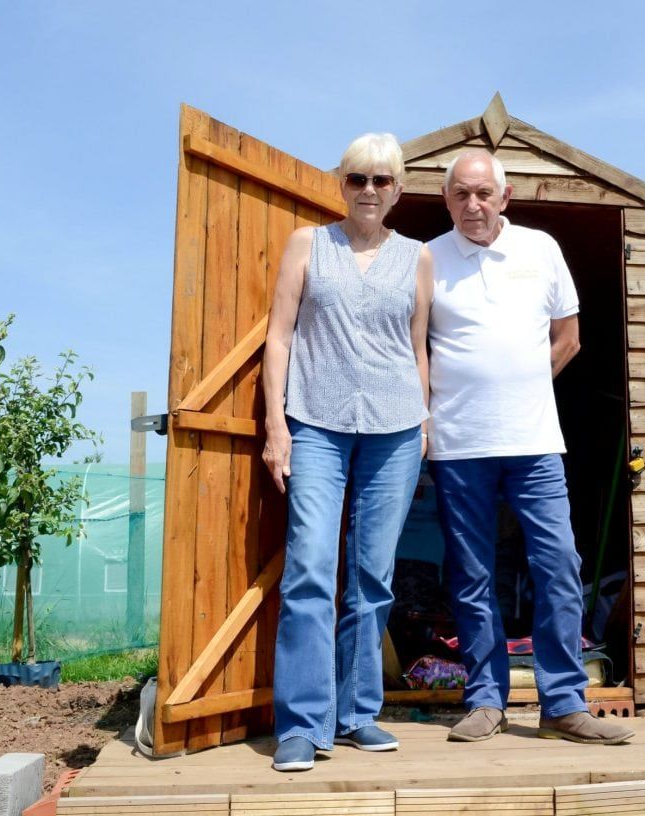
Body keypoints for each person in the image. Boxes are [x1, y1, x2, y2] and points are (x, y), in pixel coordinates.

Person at [426, 149, 634, 745]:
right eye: (461, 195)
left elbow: (568, 338)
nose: (473, 205)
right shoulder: (428, 259)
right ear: (447, 201)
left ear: (505, 197)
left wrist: (521, 385)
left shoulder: (541, 249)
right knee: (470, 575)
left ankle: (563, 704)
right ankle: (486, 700)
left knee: (559, 564)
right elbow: (416, 344)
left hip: (536, 441)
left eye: (483, 193)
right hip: (457, 443)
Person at [262, 133, 432, 772]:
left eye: (382, 181)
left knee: (372, 576)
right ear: (342, 182)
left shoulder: (417, 258)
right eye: (358, 179)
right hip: (315, 424)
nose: (369, 191)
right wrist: (276, 427)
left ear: (397, 189)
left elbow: (417, 349)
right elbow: (278, 338)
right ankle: (303, 724)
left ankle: (359, 713)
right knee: (309, 567)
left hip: (394, 430)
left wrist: (423, 423)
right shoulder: (308, 244)